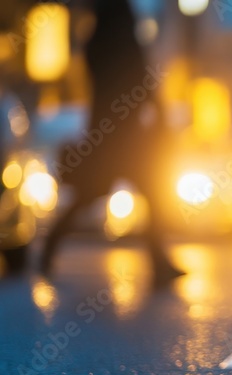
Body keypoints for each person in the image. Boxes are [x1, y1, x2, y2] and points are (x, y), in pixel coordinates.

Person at [39, 0, 184, 284]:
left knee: (135, 193)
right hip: (120, 134)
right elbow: (139, 78)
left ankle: (159, 264)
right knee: (103, 193)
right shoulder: (119, 39)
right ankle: (159, 265)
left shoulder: (97, 37)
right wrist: (157, 111)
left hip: (113, 132)